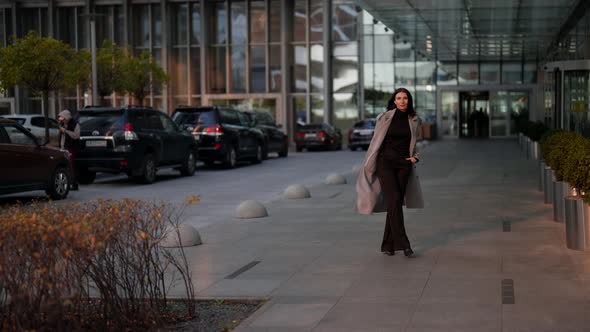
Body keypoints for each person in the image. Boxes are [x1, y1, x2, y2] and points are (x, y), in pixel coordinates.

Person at [356, 88, 424, 257]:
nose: (402, 101)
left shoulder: (414, 119)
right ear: (394, 101)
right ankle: (404, 243)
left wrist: (416, 157)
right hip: (385, 163)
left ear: (409, 101)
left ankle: (388, 244)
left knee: (395, 203)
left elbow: (415, 143)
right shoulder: (384, 117)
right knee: (393, 200)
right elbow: (375, 142)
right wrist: (369, 163)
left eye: (405, 98)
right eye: (399, 98)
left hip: (404, 165)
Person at [57, 109, 80, 191]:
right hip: (63, 147)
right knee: (64, 165)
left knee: (71, 165)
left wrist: (66, 131)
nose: (62, 121)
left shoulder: (75, 124)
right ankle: (68, 182)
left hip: (71, 147)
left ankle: (74, 183)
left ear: (67, 118)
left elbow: (76, 136)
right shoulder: (62, 124)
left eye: (63, 119)